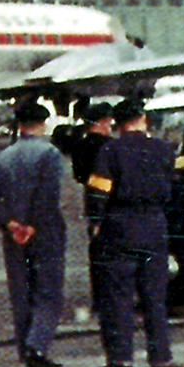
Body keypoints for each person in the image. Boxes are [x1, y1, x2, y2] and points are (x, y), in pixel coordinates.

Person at [88, 97, 184, 367]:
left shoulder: (110, 150)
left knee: (119, 295)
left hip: (120, 225)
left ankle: (121, 360)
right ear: (143, 120)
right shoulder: (164, 149)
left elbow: (99, 191)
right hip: (155, 224)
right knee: (155, 296)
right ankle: (161, 358)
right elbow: (176, 185)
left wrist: (95, 223)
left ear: (118, 125)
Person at [0, 101, 69, 367]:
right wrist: (32, 225)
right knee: (48, 292)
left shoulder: (3, 156)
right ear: (42, 123)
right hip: (45, 232)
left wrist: (10, 224)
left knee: (22, 293)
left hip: (13, 236)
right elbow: (48, 195)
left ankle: (25, 348)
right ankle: (38, 345)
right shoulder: (50, 154)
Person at [53, 98, 116, 319]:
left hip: (92, 202)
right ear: (102, 122)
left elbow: (79, 176)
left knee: (98, 255)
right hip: (113, 203)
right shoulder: (109, 147)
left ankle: (100, 299)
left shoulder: (81, 147)